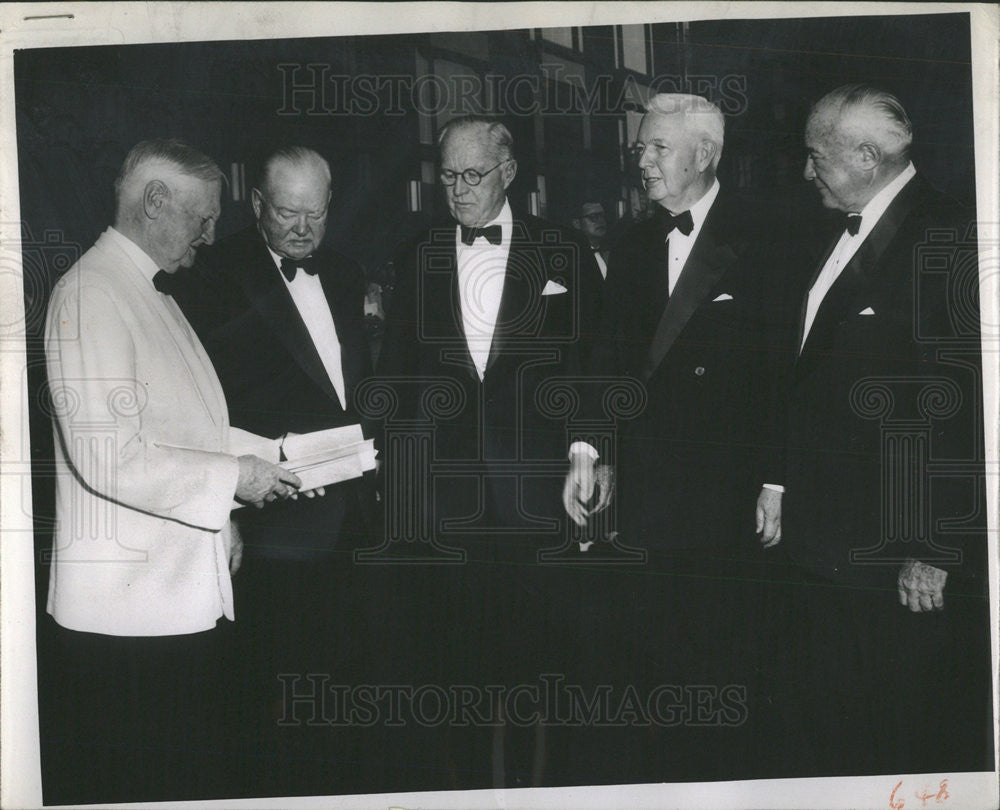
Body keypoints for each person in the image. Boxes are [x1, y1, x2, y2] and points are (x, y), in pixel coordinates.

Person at [41, 139, 299, 804]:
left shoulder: (151, 291)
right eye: (203, 217)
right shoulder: (89, 295)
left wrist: (271, 460)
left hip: (171, 598)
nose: (212, 236)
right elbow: (106, 457)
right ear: (155, 203)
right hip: (128, 617)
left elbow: (184, 429)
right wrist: (231, 479)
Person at [560, 94, 795, 782]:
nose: (643, 162)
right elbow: (606, 358)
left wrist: (777, 480)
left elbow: (785, 368)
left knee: (723, 662)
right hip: (645, 493)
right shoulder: (632, 242)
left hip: (728, 495)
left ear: (704, 154)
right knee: (649, 657)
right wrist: (587, 450)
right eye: (640, 148)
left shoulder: (767, 233)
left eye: (658, 148)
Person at [376, 115, 602, 789]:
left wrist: (588, 449)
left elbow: (597, 361)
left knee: (547, 674)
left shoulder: (564, 250)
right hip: (447, 507)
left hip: (540, 498)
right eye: (446, 175)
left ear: (508, 172)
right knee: (458, 678)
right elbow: (396, 376)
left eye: (472, 174)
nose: (457, 189)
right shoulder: (417, 255)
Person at [776, 84, 991, 776]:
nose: (807, 172)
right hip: (829, 544)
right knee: (837, 727)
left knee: (899, 737)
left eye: (818, 156)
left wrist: (937, 544)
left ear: (866, 156)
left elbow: (966, 404)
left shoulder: (950, 236)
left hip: (897, 554)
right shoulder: (830, 229)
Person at [165, 145, 374, 795]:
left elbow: (351, 385)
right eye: (288, 213)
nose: (304, 229)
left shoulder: (341, 271)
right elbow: (188, 401)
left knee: (350, 697)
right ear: (256, 205)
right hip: (274, 520)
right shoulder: (211, 273)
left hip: (355, 518)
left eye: (316, 212)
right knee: (273, 702)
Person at [572, 200, 610, 278]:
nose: (601, 221)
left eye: (603, 216)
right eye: (594, 217)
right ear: (577, 223)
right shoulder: (572, 258)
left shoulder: (611, 253)